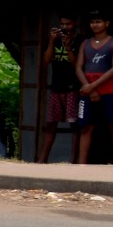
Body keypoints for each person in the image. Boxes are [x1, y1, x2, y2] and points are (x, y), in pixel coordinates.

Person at [77, 8, 113, 164]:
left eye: (98, 22)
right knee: (86, 127)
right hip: (87, 91)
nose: (95, 25)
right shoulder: (85, 43)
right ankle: (81, 164)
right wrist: (87, 87)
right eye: (92, 22)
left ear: (107, 23)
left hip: (110, 91)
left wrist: (93, 86)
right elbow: (79, 67)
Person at [38, 12, 82, 164]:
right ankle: (43, 158)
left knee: (75, 125)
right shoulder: (55, 40)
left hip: (73, 87)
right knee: (51, 123)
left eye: (68, 24)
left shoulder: (80, 40)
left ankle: (74, 160)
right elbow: (46, 61)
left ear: (75, 24)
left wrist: (69, 46)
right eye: (62, 24)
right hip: (56, 86)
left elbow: (78, 66)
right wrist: (51, 41)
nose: (64, 27)